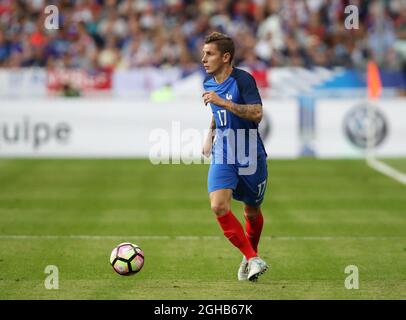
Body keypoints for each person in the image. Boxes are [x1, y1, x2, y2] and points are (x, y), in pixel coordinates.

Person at [201, 32, 269, 281]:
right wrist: (209, 134)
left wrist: (223, 102)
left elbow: (257, 113)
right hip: (224, 152)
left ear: (226, 57)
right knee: (218, 206)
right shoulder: (208, 83)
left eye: (209, 54)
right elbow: (217, 111)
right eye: (203, 53)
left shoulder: (243, 80)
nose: (203, 59)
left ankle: (250, 255)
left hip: (250, 154)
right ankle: (252, 258)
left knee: (251, 212)